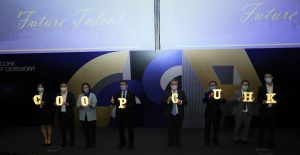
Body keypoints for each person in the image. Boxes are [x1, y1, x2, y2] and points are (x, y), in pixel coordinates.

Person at [162, 79, 188, 148]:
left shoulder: (181, 92)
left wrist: (180, 101)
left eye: (175, 84)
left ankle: (177, 141)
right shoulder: (166, 92)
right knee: (170, 130)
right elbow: (162, 102)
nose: (174, 86)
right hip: (169, 115)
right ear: (170, 85)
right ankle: (170, 141)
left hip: (178, 115)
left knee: (178, 130)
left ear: (178, 85)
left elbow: (186, 102)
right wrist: (168, 100)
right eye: (172, 84)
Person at [111, 80, 136, 149]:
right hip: (119, 115)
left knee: (130, 129)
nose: (122, 86)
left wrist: (126, 106)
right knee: (120, 129)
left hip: (128, 115)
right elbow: (114, 104)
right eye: (121, 85)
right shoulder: (117, 94)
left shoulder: (131, 94)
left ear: (127, 85)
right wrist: (113, 102)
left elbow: (133, 104)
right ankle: (122, 142)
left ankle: (131, 143)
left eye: (124, 84)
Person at [257, 73, 280, 148]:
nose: (267, 78)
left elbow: (280, 97)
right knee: (262, 127)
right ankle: (261, 142)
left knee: (273, 127)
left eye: (269, 76)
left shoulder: (277, 87)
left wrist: (277, 101)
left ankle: (271, 142)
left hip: (274, 110)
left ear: (272, 77)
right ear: (264, 79)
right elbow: (258, 98)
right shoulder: (261, 87)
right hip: (264, 110)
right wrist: (263, 101)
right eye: (266, 77)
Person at [203, 81, 226, 146]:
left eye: (213, 85)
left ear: (216, 86)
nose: (212, 86)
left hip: (217, 114)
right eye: (211, 85)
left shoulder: (220, 93)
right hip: (208, 114)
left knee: (216, 128)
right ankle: (207, 140)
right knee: (207, 128)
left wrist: (222, 98)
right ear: (209, 86)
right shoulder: (207, 93)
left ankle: (215, 140)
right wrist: (209, 96)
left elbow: (224, 102)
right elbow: (204, 100)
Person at [232, 80, 255, 144]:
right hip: (239, 113)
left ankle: (244, 139)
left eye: (246, 85)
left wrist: (253, 100)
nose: (245, 86)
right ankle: (236, 138)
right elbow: (233, 101)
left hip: (248, 113)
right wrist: (239, 99)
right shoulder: (236, 92)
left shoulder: (251, 92)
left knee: (247, 127)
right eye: (244, 85)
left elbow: (254, 102)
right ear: (241, 85)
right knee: (237, 127)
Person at [76, 83, 97, 148]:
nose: (85, 89)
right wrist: (80, 105)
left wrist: (90, 105)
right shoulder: (80, 95)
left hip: (92, 116)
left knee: (92, 130)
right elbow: (77, 105)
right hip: (83, 116)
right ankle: (88, 142)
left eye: (87, 87)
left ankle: (93, 142)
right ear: (82, 89)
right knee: (85, 131)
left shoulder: (93, 95)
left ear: (89, 88)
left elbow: (95, 105)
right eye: (84, 87)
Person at [56, 82, 75, 147]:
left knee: (71, 128)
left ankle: (72, 141)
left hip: (69, 114)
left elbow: (73, 103)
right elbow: (55, 103)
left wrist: (67, 104)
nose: (63, 88)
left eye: (64, 86)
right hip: (61, 114)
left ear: (67, 87)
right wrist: (55, 104)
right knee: (62, 129)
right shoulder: (58, 94)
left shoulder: (71, 94)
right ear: (60, 88)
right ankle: (64, 141)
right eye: (62, 86)